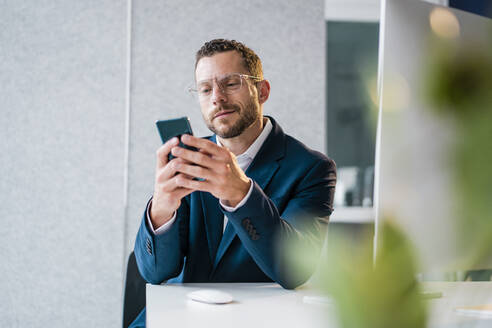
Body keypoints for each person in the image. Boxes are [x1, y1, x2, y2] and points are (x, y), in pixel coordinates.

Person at [130, 39, 336, 327]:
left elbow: (294, 271)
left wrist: (242, 194)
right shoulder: (189, 158)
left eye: (230, 83)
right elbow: (155, 273)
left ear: (261, 91)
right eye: (205, 89)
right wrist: (161, 209)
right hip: (174, 317)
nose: (217, 97)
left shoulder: (312, 169)